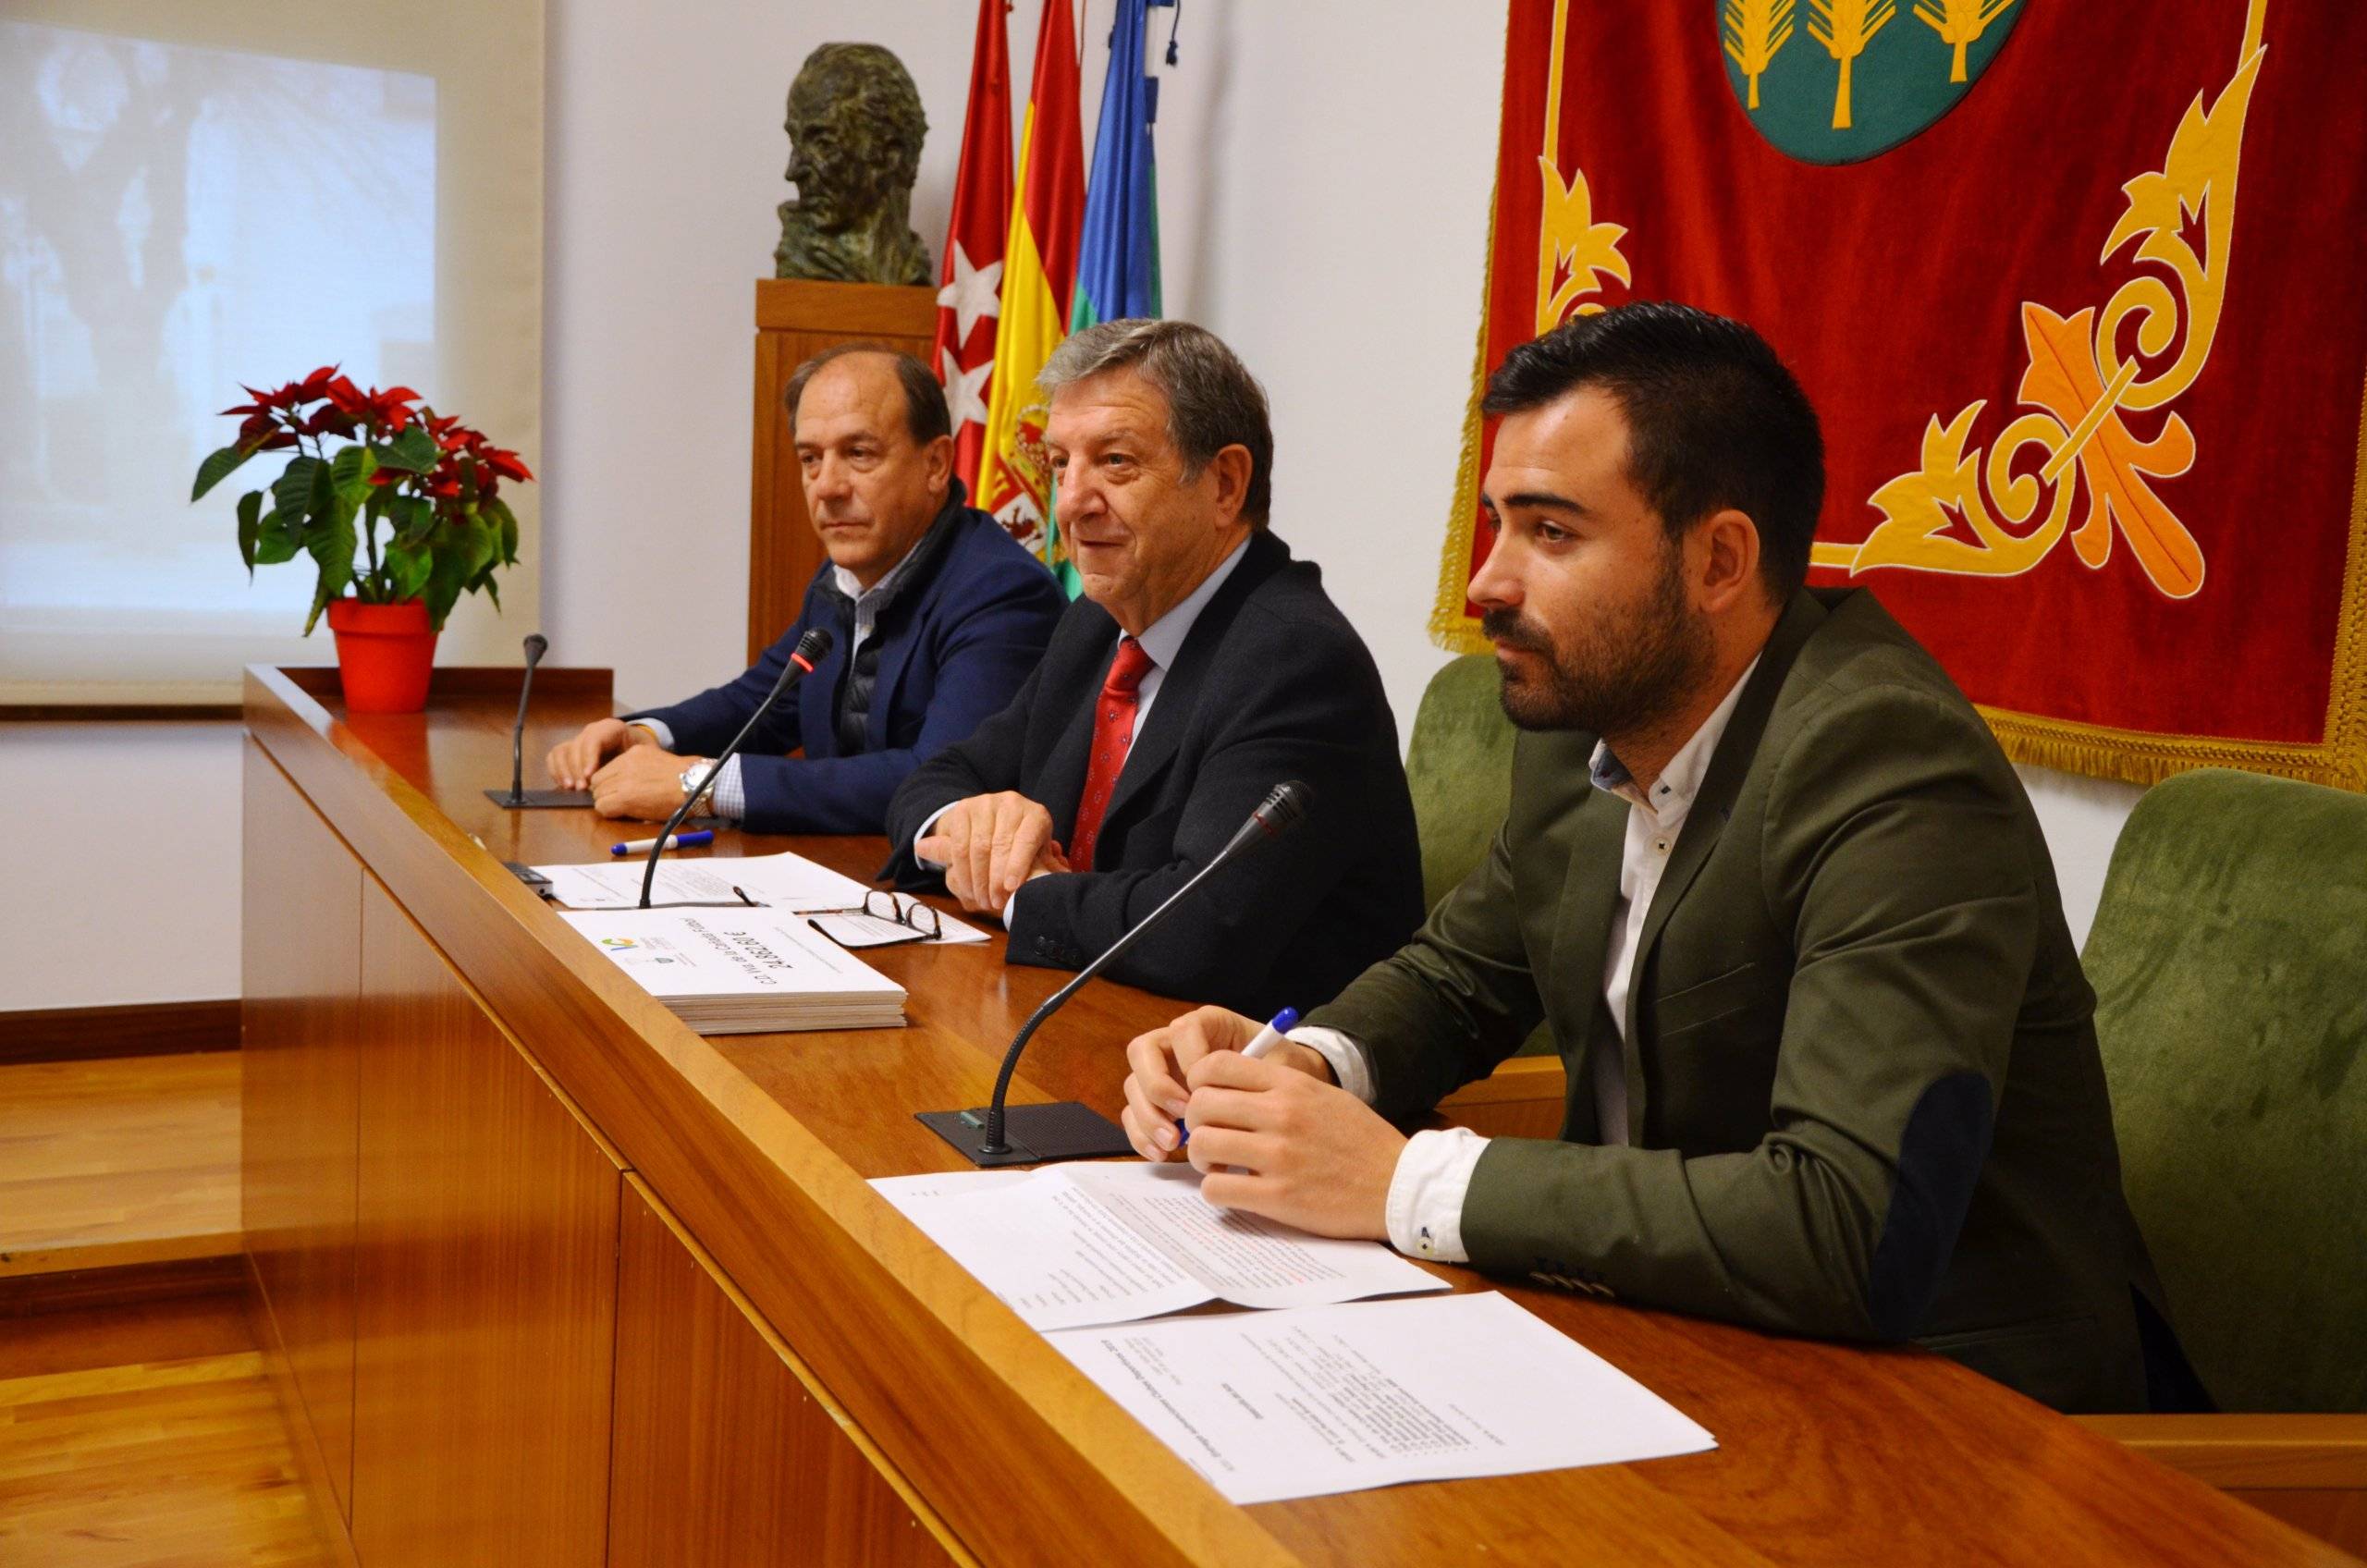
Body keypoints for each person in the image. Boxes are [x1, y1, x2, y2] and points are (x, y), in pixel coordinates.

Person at [1119, 302, 2194, 1414]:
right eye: (1495, 525)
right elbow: (1458, 974)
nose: (1486, 583)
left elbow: (1847, 1224)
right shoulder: (1591, 721)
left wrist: (1404, 1179)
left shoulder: (1889, 766)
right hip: (1664, 1334)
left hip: (1949, 1407)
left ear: (1719, 559)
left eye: (1549, 533)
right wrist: (1300, 1066)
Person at [885, 319, 1423, 1016]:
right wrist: (972, 824)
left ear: (1225, 484)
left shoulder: (1293, 658)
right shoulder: (1094, 625)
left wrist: (1017, 890)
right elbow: (932, 780)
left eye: (1114, 462)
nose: (1071, 504)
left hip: (1249, 1087)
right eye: (1059, 464)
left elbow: (1201, 930)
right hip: (1085, 1024)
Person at [547, 347, 1064, 834]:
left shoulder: (1001, 592)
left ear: (935, 465)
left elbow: (938, 780)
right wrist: (645, 734)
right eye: (810, 459)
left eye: (858, 453)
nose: (828, 486)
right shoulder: (843, 579)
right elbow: (766, 703)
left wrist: (702, 785)